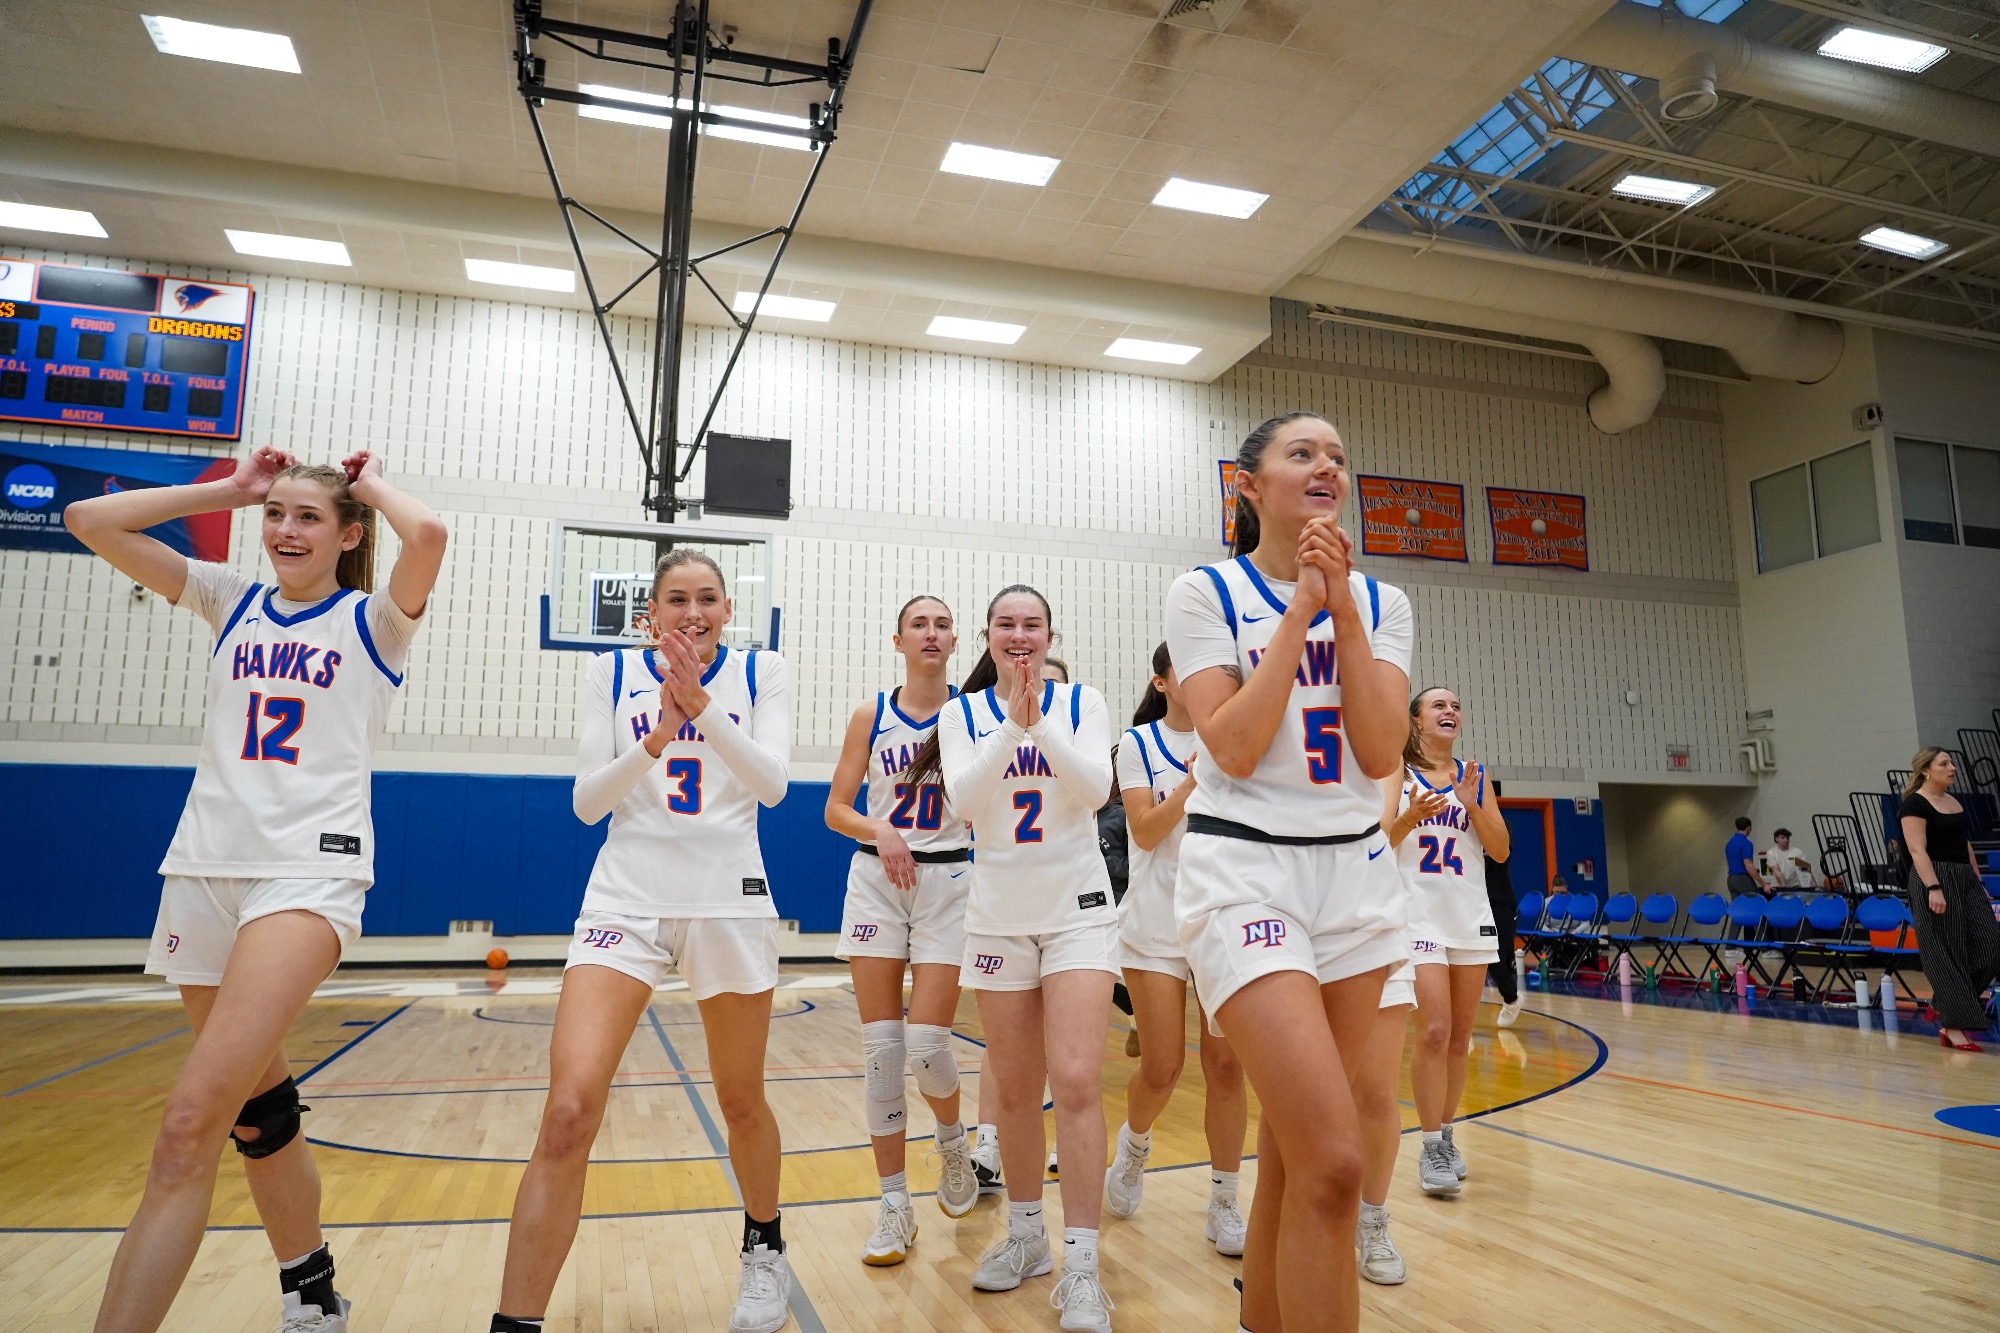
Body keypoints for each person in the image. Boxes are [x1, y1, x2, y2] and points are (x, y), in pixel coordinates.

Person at [67, 446, 447, 1333]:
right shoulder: (228, 598)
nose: (285, 528)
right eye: (275, 513)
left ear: (348, 532)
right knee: (256, 1110)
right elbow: (90, 520)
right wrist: (228, 488)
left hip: (309, 870)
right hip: (201, 868)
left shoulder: (374, 621)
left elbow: (427, 531)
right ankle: (313, 1291)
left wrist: (372, 477)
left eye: (308, 516)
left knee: (187, 1123)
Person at [491, 550, 794, 1333]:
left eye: (707, 600)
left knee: (740, 1097)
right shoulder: (611, 674)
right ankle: (514, 1320)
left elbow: (772, 784)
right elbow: (589, 803)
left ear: (729, 610)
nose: (693, 612)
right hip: (626, 890)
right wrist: (660, 732)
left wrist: (704, 708)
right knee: (567, 1108)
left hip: (728, 892)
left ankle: (764, 1243)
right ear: (649, 615)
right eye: (676, 600)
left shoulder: (763, 673)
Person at [1165, 411, 1414, 1333]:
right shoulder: (1205, 592)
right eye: (1303, 452)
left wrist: (1342, 605)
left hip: (1355, 876)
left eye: (1340, 456)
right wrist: (1302, 607)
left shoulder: (1385, 602)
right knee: (1339, 1163)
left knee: (1297, 1156)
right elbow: (1227, 745)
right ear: (1250, 482)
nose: (1328, 467)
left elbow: (1383, 747)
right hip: (1246, 874)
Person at [909, 585, 1118, 1331]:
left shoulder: (1083, 702)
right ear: (989, 637)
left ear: (1049, 633)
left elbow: (1096, 787)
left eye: (1032, 624)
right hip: (999, 916)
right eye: (1006, 623)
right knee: (1019, 1086)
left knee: (1078, 1077)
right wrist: (1010, 729)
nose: (1020, 634)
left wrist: (1039, 724)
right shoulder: (960, 713)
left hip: (1076, 912)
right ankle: (1028, 1235)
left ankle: (1085, 1264)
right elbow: (964, 802)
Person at [822, 595, 980, 1266]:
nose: (933, 633)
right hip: (877, 880)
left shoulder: (973, 717)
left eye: (943, 624)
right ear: (898, 639)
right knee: (883, 1051)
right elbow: (835, 808)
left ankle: (952, 1143)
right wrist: (878, 826)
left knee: (926, 1044)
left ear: (954, 642)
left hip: (949, 885)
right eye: (920, 623)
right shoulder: (872, 714)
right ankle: (894, 1206)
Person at [1103, 643, 1249, 1257]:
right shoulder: (1139, 744)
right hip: (1157, 920)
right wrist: (1197, 777)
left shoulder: (1246, 738)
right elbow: (1144, 829)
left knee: (1227, 1067)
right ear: (1163, 681)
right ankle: (1133, 1150)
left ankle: (1223, 1199)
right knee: (1162, 1067)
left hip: (1224, 917)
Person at [1386, 688, 1509, 1199]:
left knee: (1460, 1037)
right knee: (1433, 1030)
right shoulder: (1395, 772)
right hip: (1417, 916)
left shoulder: (1474, 778)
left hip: (1468, 914)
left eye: (1456, 705)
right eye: (1438, 705)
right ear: (1415, 720)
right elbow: (1378, 841)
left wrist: (1471, 807)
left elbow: (1500, 850)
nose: (1450, 711)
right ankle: (1431, 1143)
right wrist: (1411, 817)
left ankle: (1447, 1133)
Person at [1899, 748, 2000, 1052]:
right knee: (1949, 951)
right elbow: (1917, 851)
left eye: (1952, 762)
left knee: (1991, 946)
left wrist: (1979, 882)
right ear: (1926, 770)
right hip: (1934, 877)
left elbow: (1965, 845)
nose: (1953, 768)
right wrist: (1933, 887)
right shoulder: (1914, 804)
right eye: (1945, 763)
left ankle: (1946, 1003)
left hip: (1965, 879)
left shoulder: (1954, 802)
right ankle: (1953, 1026)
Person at [1484, 777, 1522, 1027]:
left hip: (1498, 901)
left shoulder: (1500, 826)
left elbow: (1500, 852)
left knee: (1497, 957)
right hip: (1470, 900)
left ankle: (1511, 997)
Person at [1724, 817, 1766, 896]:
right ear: (1748, 828)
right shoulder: (1746, 843)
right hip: (1743, 879)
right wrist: (1763, 884)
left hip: (1731, 879)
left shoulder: (1729, 843)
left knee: (1738, 906)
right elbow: (1748, 866)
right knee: (1755, 902)